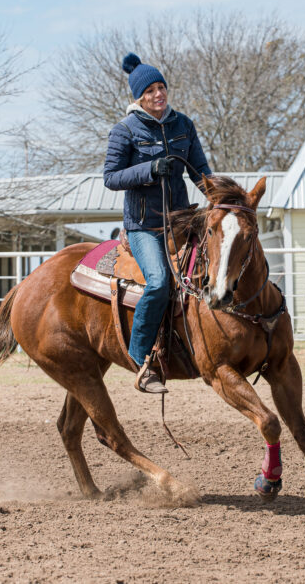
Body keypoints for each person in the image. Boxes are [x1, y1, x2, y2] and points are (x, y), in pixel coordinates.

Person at [103, 53, 211, 394]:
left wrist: (222, 198)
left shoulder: (184, 125)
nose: (158, 94)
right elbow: (111, 177)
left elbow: (200, 173)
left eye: (161, 86)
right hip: (143, 227)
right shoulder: (125, 130)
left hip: (182, 220)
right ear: (138, 97)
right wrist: (149, 170)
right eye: (149, 90)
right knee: (160, 281)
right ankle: (141, 359)